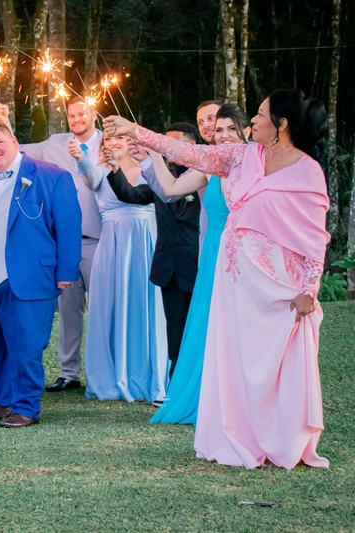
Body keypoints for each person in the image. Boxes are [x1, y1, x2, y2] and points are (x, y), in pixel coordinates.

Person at [105, 88, 330, 468]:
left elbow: (313, 234)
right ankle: (238, 435)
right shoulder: (240, 156)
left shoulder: (308, 171)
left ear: (281, 124)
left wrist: (310, 288)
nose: (253, 120)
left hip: (280, 282)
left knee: (273, 359)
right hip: (235, 279)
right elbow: (188, 153)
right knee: (235, 356)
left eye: (261, 114)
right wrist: (136, 131)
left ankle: (280, 438)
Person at [0, 120, 81, 428]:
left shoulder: (52, 176)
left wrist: (67, 270)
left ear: (14, 141)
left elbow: (69, 226)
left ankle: (26, 406)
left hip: (28, 276)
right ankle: (5, 401)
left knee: (26, 346)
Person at [0, 98, 102, 393]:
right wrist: (4, 123)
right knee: (68, 312)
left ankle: (102, 373)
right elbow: (20, 151)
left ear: (94, 113)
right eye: (72, 115)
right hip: (64, 244)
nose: (76, 119)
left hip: (100, 239)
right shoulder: (56, 142)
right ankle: (69, 372)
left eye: (82, 114)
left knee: (102, 309)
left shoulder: (108, 143)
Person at [150, 103, 248, 425]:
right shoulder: (211, 166)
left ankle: (243, 397)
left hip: (246, 251)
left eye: (231, 128)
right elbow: (170, 189)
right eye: (218, 130)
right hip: (214, 253)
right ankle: (210, 396)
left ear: (246, 131)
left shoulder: (256, 162)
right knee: (210, 323)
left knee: (241, 325)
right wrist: (154, 153)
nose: (224, 135)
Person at [70, 132, 168, 404]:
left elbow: (152, 195)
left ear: (131, 142)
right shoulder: (100, 172)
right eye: (108, 140)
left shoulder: (149, 170)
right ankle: (111, 378)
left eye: (119, 139)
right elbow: (90, 177)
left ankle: (149, 375)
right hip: (113, 246)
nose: (112, 143)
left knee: (146, 305)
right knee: (112, 305)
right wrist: (80, 158)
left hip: (147, 242)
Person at [104, 123, 202, 381]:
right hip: (169, 268)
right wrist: (116, 170)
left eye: (171, 144)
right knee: (175, 334)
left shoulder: (203, 176)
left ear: (191, 146)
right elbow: (133, 195)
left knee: (201, 331)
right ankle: (175, 388)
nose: (165, 149)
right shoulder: (163, 177)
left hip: (199, 265)